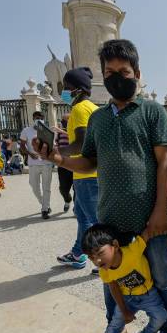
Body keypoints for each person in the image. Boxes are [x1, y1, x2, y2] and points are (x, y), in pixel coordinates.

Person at [36, 39, 167, 333]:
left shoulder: (152, 112)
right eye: (110, 72)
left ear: (138, 74)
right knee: (109, 279)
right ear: (102, 76)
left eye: (124, 72)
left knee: (162, 279)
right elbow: (88, 160)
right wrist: (58, 158)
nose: (118, 78)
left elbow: (165, 162)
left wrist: (161, 210)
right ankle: (115, 328)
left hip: (149, 221)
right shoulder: (98, 119)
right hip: (110, 221)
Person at [79, 224, 167, 333]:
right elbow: (113, 287)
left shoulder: (133, 250)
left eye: (100, 253)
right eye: (91, 257)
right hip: (127, 298)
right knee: (114, 327)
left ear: (115, 245)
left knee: (161, 317)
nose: (97, 260)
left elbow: (149, 231)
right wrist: (124, 310)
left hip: (149, 295)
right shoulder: (104, 270)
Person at [54, 68, 99, 269]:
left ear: (78, 89)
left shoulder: (80, 109)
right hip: (86, 175)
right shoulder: (92, 107)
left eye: (67, 87)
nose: (64, 91)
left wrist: (57, 152)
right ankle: (78, 253)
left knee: (97, 222)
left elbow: (81, 143)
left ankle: (109, 262)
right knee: (83, 218)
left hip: (86, 175)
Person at [19, 112, 53, 218]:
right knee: (34, 186)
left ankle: (45, 209)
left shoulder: (48, 131)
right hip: (33, 163)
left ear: (44, 119)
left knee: (46, 187)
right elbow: (22, 146)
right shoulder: (26, 131)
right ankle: (44, 203)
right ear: (33, 118)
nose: (38, 119)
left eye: (41, 118)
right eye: (36, 118)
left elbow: (52, 146)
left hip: (46, 163)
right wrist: (30, 154)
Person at [56, 114, 74, 212]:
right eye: (63, 120)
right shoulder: (59, 134)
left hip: (75, 163)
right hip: (63, 164)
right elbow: (56, 146)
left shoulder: (77, 131)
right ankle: (67, 200)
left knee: (77, 188)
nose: (64, 122)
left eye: (66, 120)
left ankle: (77, 207)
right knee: (63, 188)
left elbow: (73, 137)